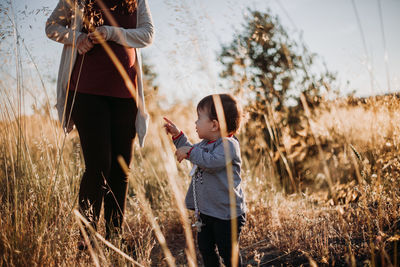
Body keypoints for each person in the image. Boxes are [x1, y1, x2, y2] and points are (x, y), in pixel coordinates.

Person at [45, 0, 154, 249]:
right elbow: (51, 26)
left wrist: (111, 33)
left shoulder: (136, 1)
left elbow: (147, 35)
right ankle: (87, 240)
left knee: (121, 167)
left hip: (126, 94)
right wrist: (76, 38)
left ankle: (115, 239)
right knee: (99, 165)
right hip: (86, 90)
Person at [164, 94, 247, 267]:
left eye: (199, 118)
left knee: (227, 252)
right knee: (205, 248)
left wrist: (190, 152)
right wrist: (178, 136)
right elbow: (191, 150)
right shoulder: (205, 144)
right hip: (207, 212)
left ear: (214, 125)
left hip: (227, 215)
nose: (195, 123)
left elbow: (210, 162)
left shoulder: (229, 145)